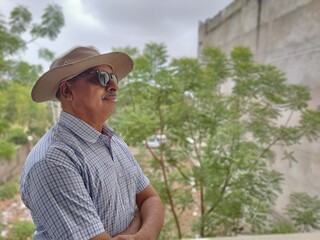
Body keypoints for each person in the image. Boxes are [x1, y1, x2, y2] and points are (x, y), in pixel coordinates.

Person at [20, 46, 164, 240]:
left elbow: (151, 199)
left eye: (114, 78)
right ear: (67, 90)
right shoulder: (53, 161)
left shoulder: (112, 140)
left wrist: (142, 236)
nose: (114, 86)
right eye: (101, 77)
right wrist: (141, 222)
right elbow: (147, 204)